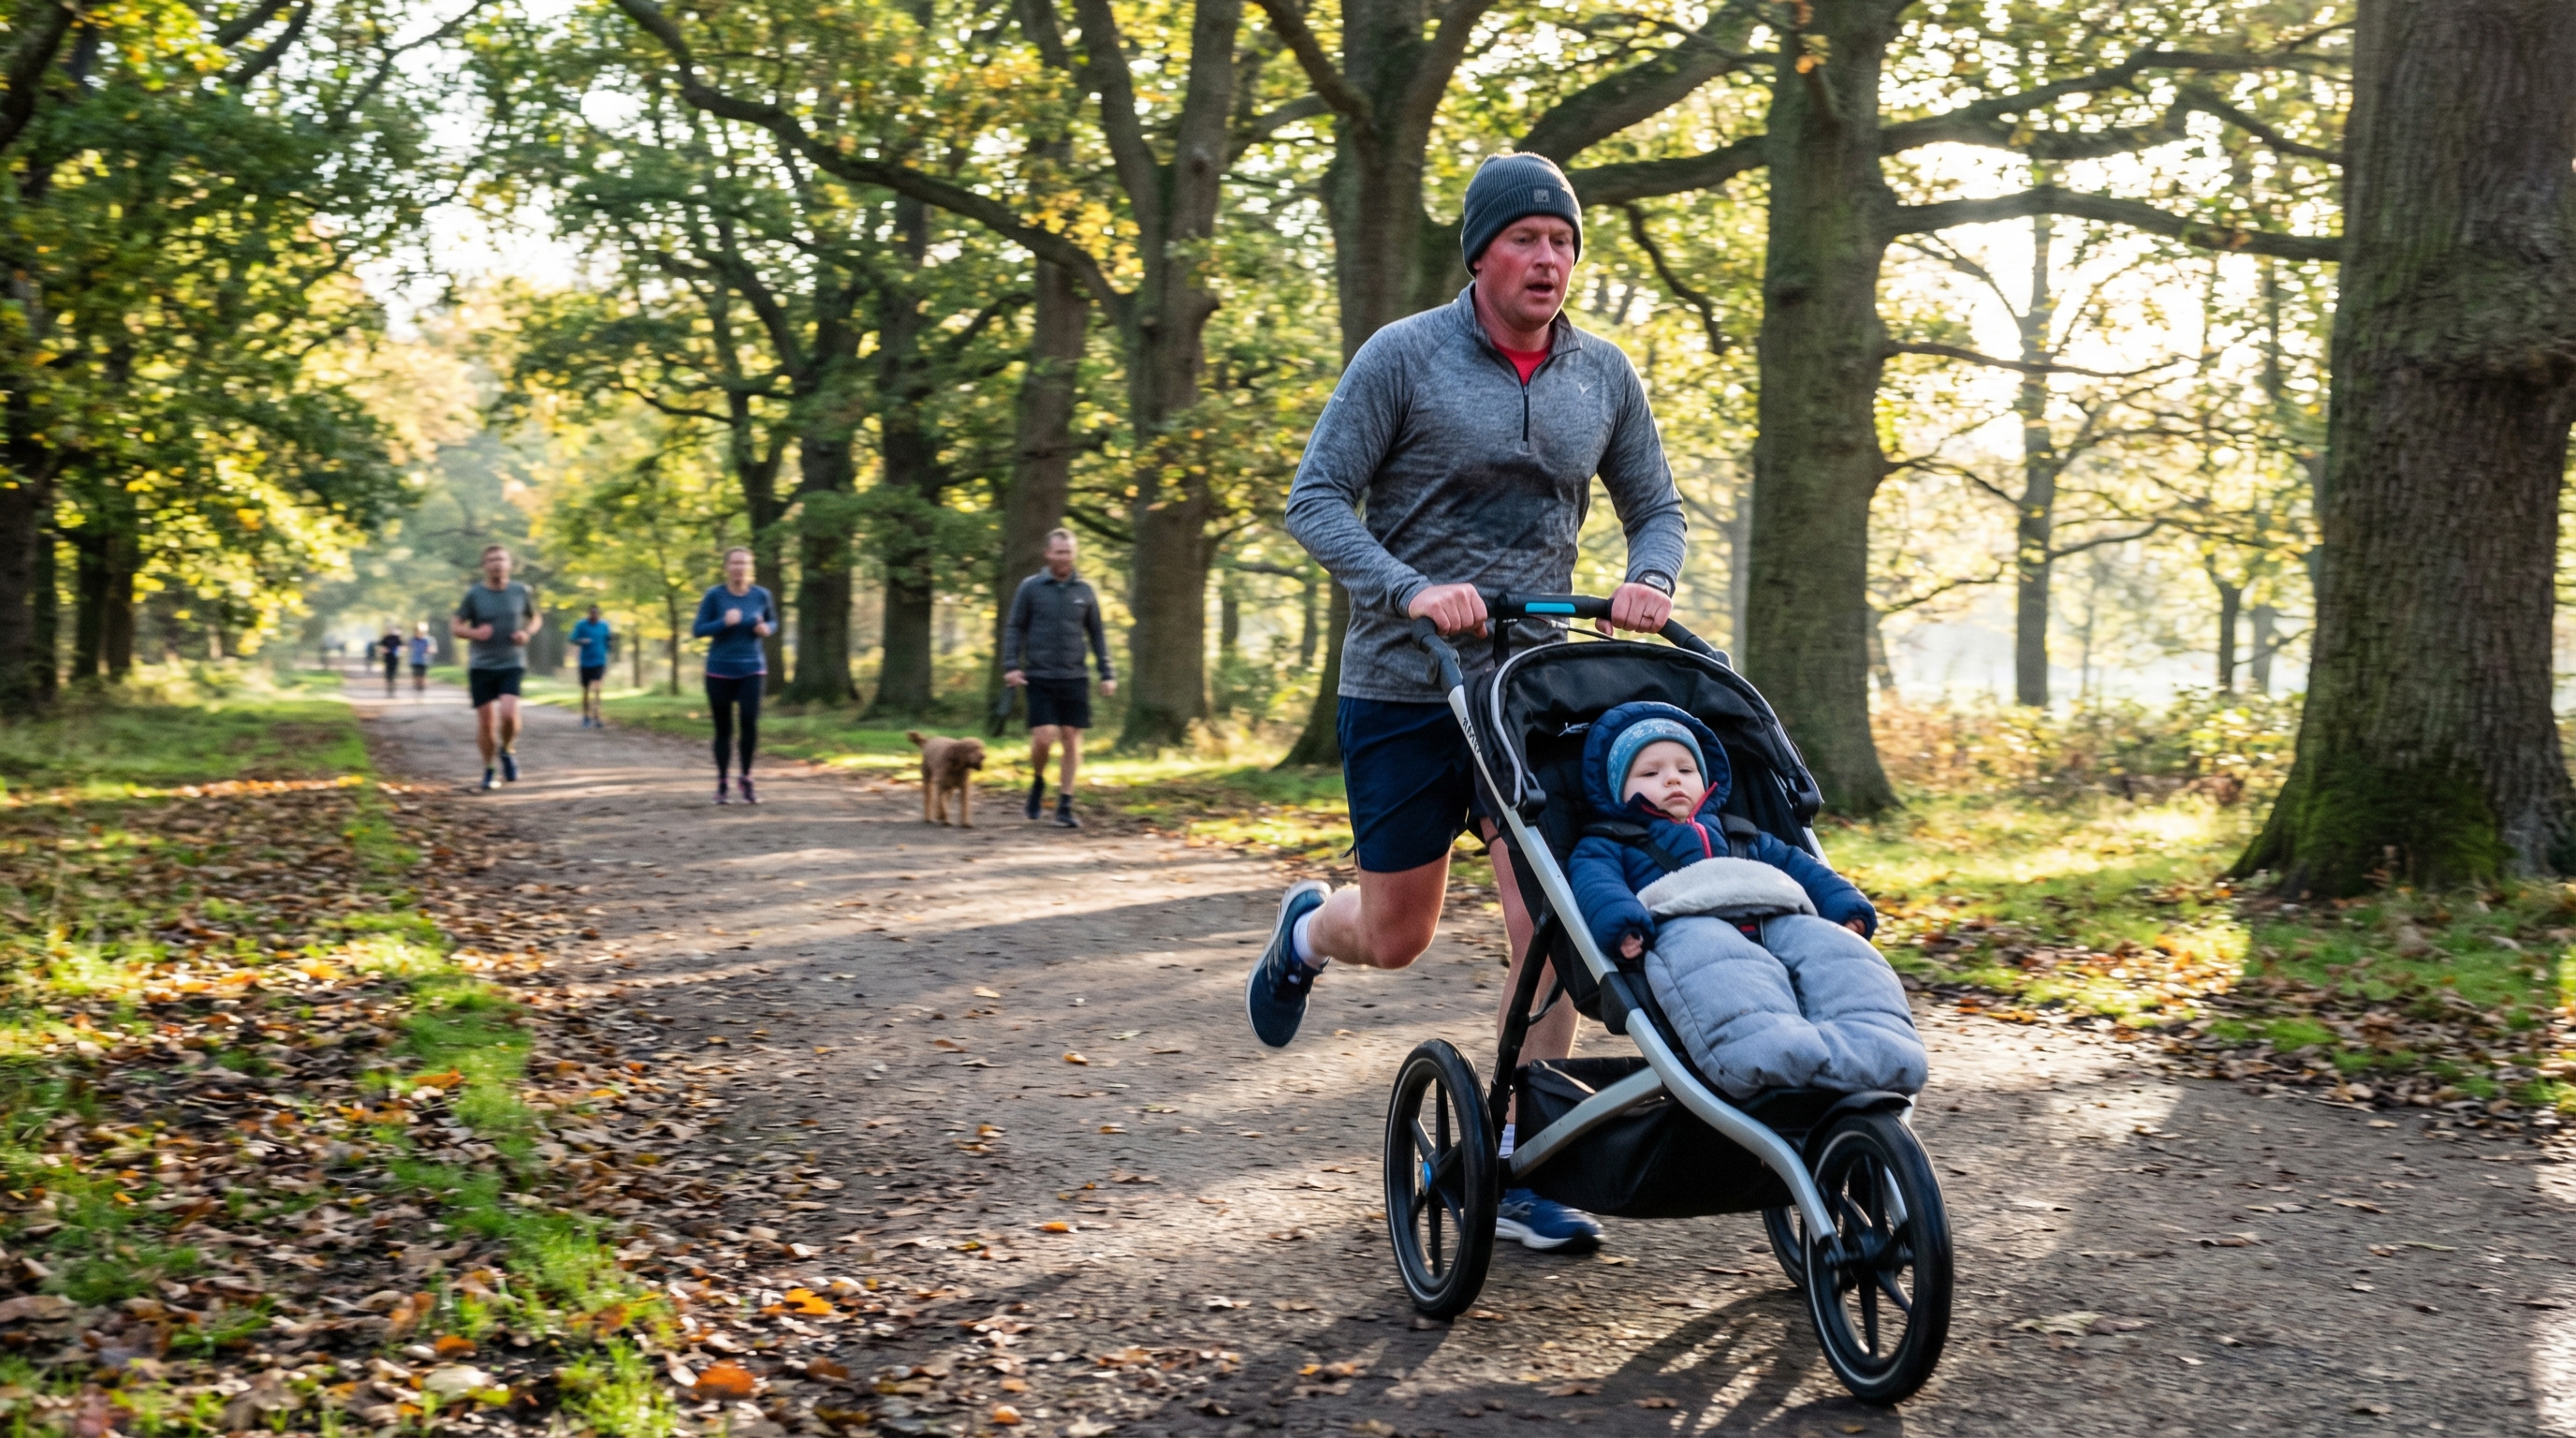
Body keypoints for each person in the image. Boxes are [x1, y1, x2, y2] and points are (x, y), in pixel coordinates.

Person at [1250, 153, 1687, 1255]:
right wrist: (1406, 588)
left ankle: (1520, 1158)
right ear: (1481, 254)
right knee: (1395, 935)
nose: (1549, 259)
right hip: (1403, 683)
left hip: (1531, 688)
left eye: (1564, 243)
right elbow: (1314, 499)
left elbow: (1658, 507)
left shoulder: (1604, 376)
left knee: (1546, 925)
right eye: (1528, 239)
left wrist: (1652, 580)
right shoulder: (1403, 357)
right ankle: (1309, 928)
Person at [1568, 702, 1920, 1097]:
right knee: (1726, 972)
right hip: (1686, 926)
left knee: (1837, 955)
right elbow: (1598, 885)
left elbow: (1799, 867)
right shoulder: (1610, 841)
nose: (1673, 781)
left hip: (1777, 916)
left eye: (1686, 770)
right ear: (1619, 790)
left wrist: (1842, 905)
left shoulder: (1739, 833)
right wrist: (1623, 923)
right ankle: (1775, 1055)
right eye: (1651, 773)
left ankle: (1878, 1052)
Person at [1002, 528, 1117, 829]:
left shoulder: (1085, 591)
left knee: (1071, 738)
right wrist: (1011, 665)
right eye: (1059, 552)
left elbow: (1097, 634)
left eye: (1068, 552)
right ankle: (1038, 781)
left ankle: (1065, 803)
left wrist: (1107, 673)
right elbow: (1015, 627)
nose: (1064, 557)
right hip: (1038, 675)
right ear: (1047, 554)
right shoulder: (1031, 587)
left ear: (1074, 553)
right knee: (1043, 738)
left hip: (1075, 677)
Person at [451, 545, 542, 792]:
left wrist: (526, 633)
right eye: (491, 560)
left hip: (511, 662)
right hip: (481, 665)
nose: (497, 564)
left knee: (509, 714)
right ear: (484, 566)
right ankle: (489, 769)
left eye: (501, 559)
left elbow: (534, 618)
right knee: (486, 721)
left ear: (509, 564)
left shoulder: (520, 591)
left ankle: (508, 750)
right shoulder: (474, 594)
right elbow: (456, 626)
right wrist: (474, 633)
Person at [693, 547, 775, 804]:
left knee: (749, 722)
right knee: (723, 729)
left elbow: (773, 622)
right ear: (726, 567)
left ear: (749, 567)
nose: (739, 568)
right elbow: (697, 629)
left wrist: (766, 628)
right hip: (719, 670)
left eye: (744, 563)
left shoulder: (762, 595)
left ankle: (747, 777)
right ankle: (722, 782)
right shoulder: (714, 596)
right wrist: (722, 623)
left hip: (752, 669)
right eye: (734, 563)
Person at [569, 605, 614, 727]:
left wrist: (610, 644)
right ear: (589, 613)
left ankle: (597, 716)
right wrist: (581, 641)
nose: (594, 615)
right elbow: (572, 638)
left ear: (599, 614)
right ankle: (586, 716)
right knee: (586, 690)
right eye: (592, 613)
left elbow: (608, 640)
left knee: (597, 688)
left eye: (596, 613)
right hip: (585, 662)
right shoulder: (581, 624)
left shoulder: (604, 625)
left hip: (599, 661)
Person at [406, 624, 432, 697]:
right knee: (416, 674)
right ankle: (416, 685)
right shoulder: (412, 640)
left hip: (423, 660)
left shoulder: (425, 640)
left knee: (422, 674)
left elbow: (427, 649)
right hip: (414, 659)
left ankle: (421, 686)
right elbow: (408, 647)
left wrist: (428, 651)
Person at [376, 627, 402, 697]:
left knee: (394, 670)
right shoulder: (385, 638)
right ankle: (389, 683)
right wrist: (383, 650)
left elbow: (401, 646)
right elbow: (380, 647)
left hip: (395, 657)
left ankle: (393, 683)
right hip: (387, 658)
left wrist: (399, 650)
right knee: (388, 671)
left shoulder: (396, 638)